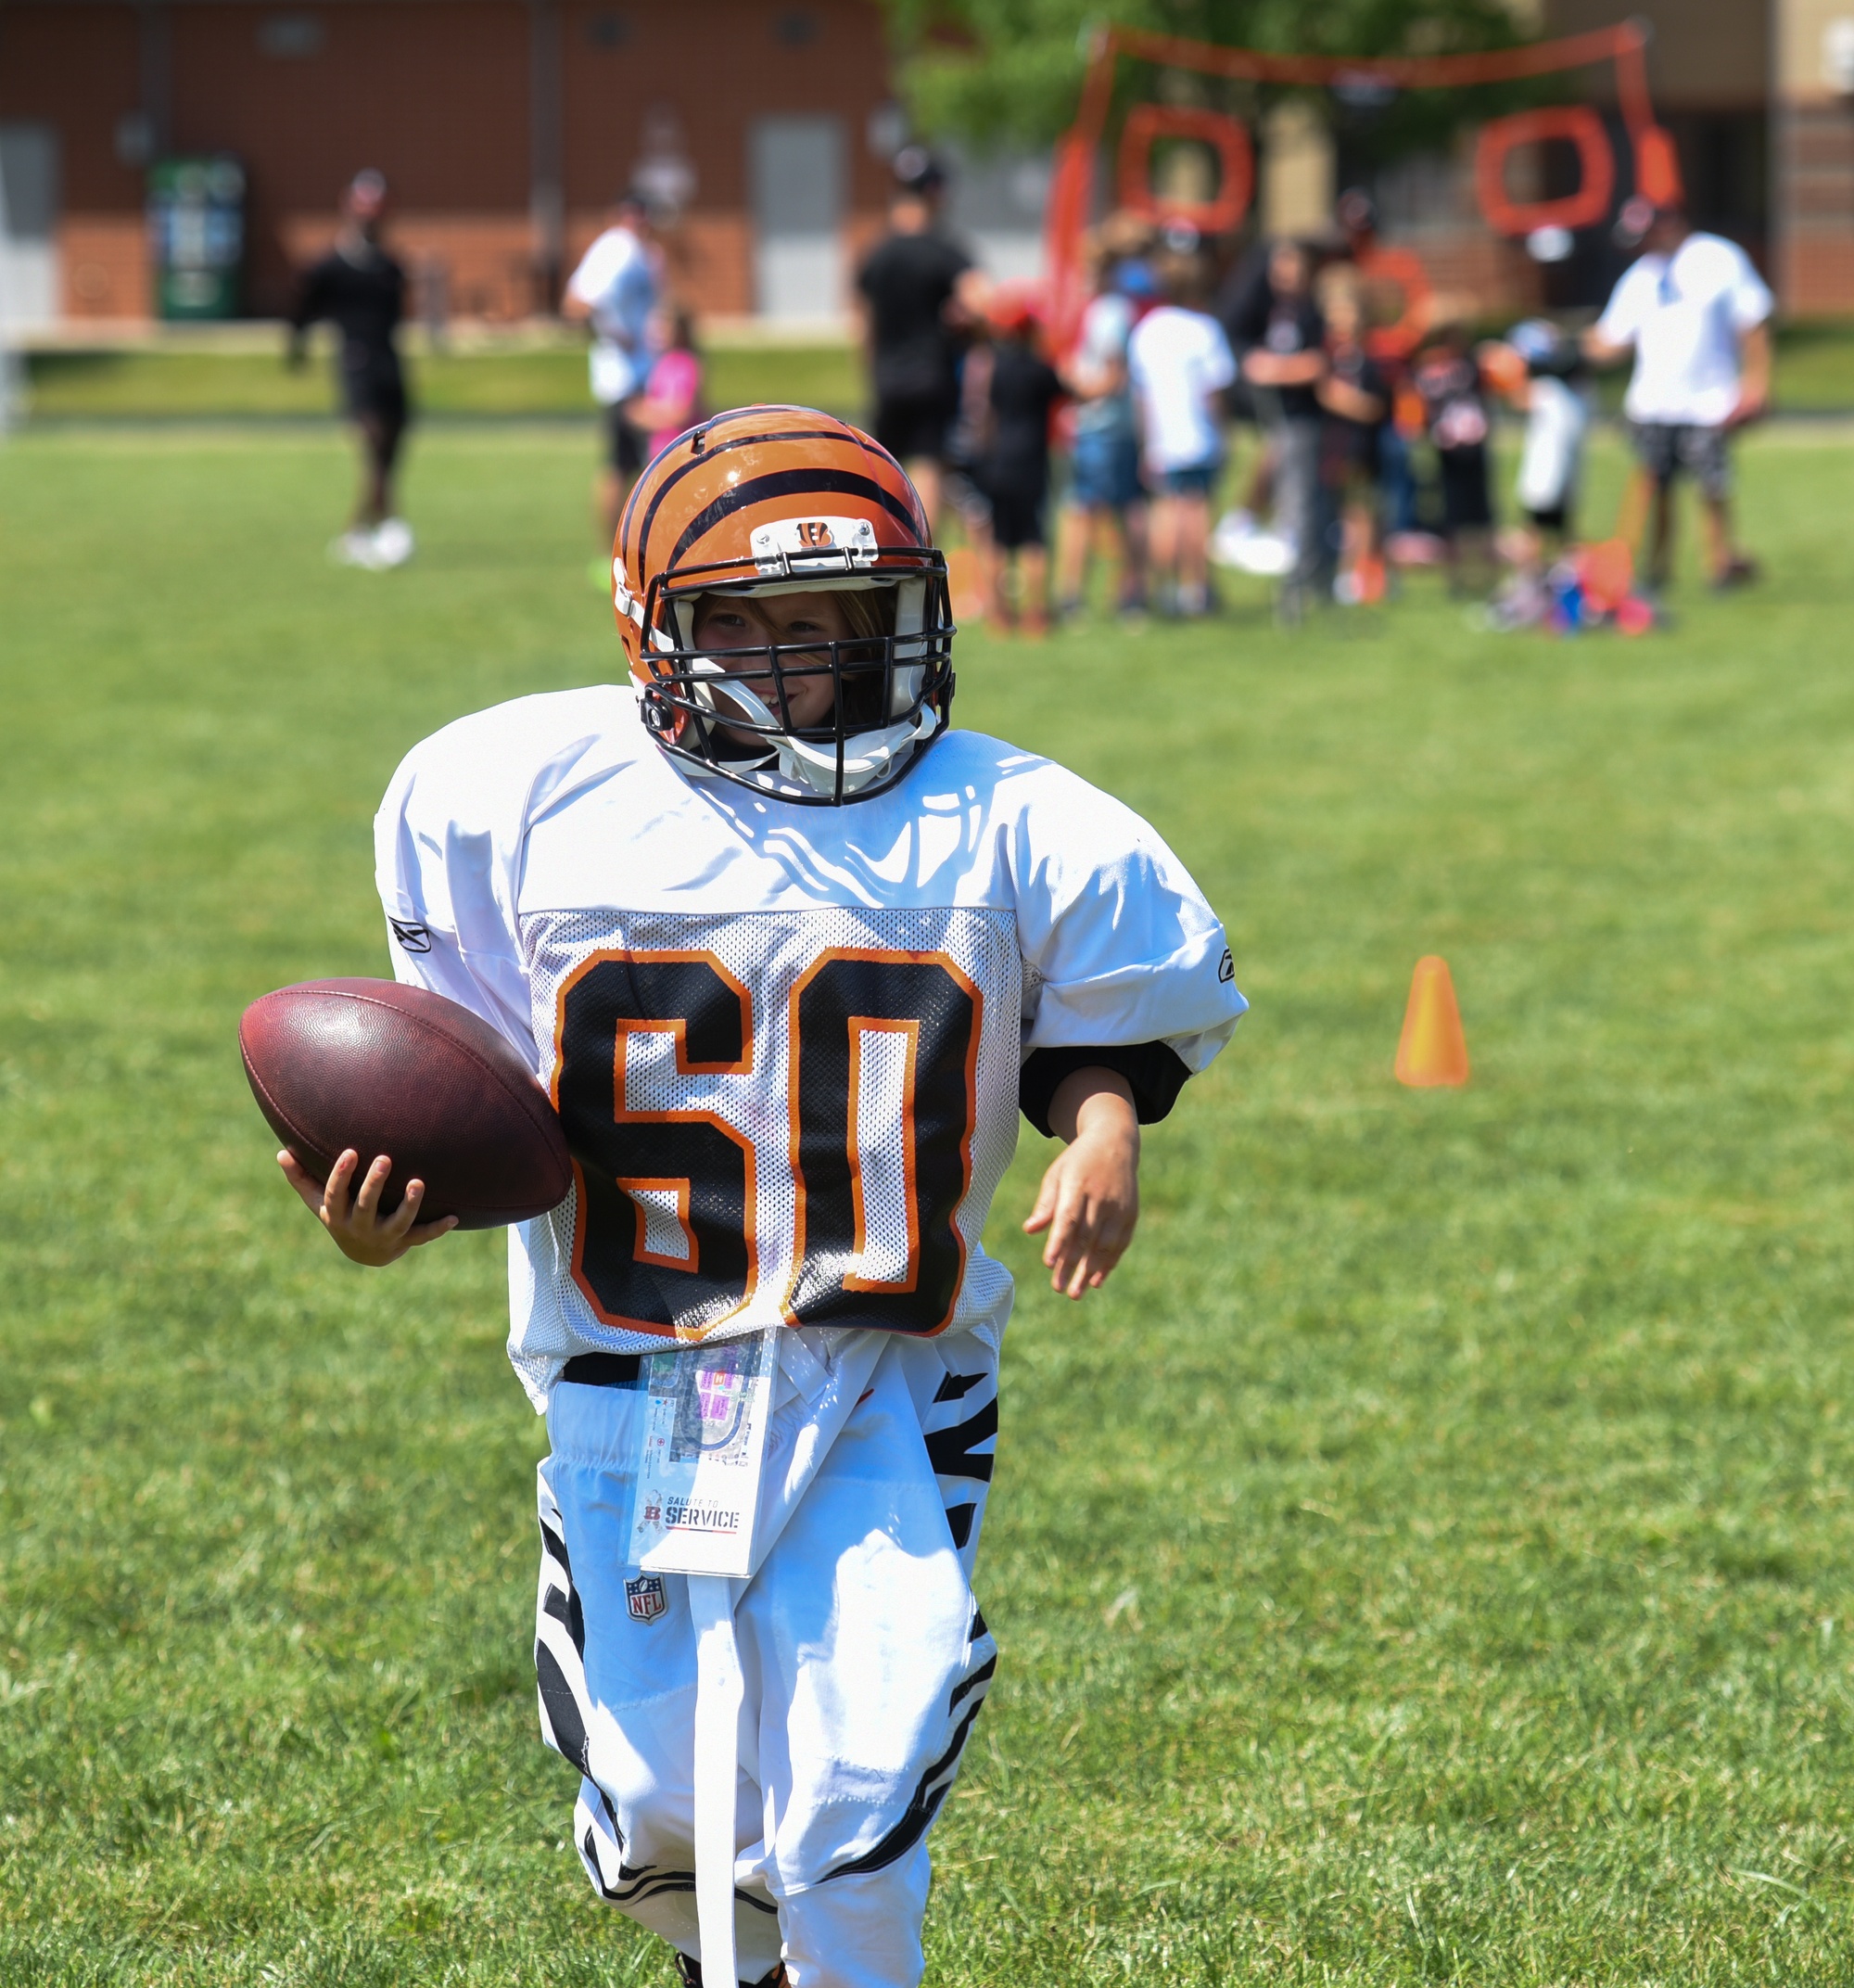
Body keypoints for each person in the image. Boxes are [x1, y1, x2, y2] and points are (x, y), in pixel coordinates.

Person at [277, 406, 1247, 1988]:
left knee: (861, 1777)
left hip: (886, 1361)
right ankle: (739, 1954)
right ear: (655, 626)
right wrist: (393, 1204)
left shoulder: (1009, 816)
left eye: (844, 620)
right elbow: (481, 1097)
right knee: (661, 1798)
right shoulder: (519, 796)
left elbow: (1104, 1021)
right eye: (760, 624)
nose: (810, 660)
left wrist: (1103, 1128)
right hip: (645, 1363)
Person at [1585, 198, 1772, 593]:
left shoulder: (1717, 258)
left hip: (1708, 399)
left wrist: (1755, 384)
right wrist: (1564, 348)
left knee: (1712, 485)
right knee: (1656, 485)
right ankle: (1656, 568)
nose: (1643, 244)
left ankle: (1719, 563)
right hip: (1653, 401)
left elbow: (1752, 320)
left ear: (1668, 223)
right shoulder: (1642, 276)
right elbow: (1611, 338)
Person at [855, 147, 988, 535]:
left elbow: (863, 326)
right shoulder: (944, 250)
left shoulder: (876, 253)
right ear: (935, 192)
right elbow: (982, 302)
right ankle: (920, 556)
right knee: (929, 466)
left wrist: (873, 369)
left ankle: (884, 548)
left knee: (884, 468)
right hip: (932, 377)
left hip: (887, 378)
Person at [287, 170, 414, 569]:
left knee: (390, 451)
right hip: (356, 362)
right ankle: (390, 521)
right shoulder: (330, 267)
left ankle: (357, 531)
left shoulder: (391, 268)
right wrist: (297, 346)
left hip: (389, 362)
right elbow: (302, 311)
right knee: (373, 442)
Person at [1126, 253, 1236, 618]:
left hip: (1163, 435)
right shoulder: (1204, 329)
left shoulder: (1146, 330)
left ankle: (1163, 587)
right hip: (1198, 433)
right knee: (1196, 508)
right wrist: (1225, 431)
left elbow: (1141, 395)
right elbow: (1213, 390)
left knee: (1166, 510)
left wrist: (1145, 443)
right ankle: (1197, 587)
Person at [1227, 240, 1327, 619]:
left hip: (1302, 423)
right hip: (1276, 422)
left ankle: (1299, 586)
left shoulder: (1312, 313)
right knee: (1285, 499)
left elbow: (1317, 365)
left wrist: (1273, 369)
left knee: (1300, 504)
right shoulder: (1271, 311)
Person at [563, 190, 663, 566]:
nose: (637, 222)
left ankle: (633, 554)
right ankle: (612, 557)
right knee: (626, 466)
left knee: (641, 465)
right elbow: (576, 303)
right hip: (624, 378)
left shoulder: (644, 254)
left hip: (645, 373)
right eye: (631, 215)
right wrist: (613, 335)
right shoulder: (613, 250)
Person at [1055, 244, 1153, 620]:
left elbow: (1113, 376)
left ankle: (1079, 594)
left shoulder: (1109, 312)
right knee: (1118, 507)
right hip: (1109, 425)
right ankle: (1130, 592)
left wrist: (1071, 386)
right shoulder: (1111, 310)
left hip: (1103, 426)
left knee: (1088, 509)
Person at [978, 288, 1064, 635]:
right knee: (1033, 539)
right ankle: (1036, 616)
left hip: (997, 461)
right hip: (1030, 461)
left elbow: (986, 416)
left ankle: (999, 616)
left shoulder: (992, 369)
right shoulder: (1040, 370)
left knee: (998, 540)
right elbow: (1071, 393)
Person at [1314, 270, 1390, 605]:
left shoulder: (1369, 362)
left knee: (1360, 513)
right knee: (1333, 512)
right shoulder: (1326, 359)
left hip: (1361, 449)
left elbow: (1377, 405)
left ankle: (1359, 574)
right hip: (1332, 446)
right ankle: (1333, 571)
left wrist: (1340, 399)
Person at [1413, 325, 1496, 593]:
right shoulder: (1428, 371)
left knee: (1482, 515)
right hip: (1448, 450)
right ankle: (1457, 577)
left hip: (1474, 445)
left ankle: (1486, 574)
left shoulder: (1471, 366)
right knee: (1453, 515)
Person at [625, 303, 705, 460]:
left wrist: (646, 414)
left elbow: (683, 412)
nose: (657, 334)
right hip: (660, 451)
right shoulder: (661, 364)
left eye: (664, 328)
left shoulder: (686, 364)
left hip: (682, 450)